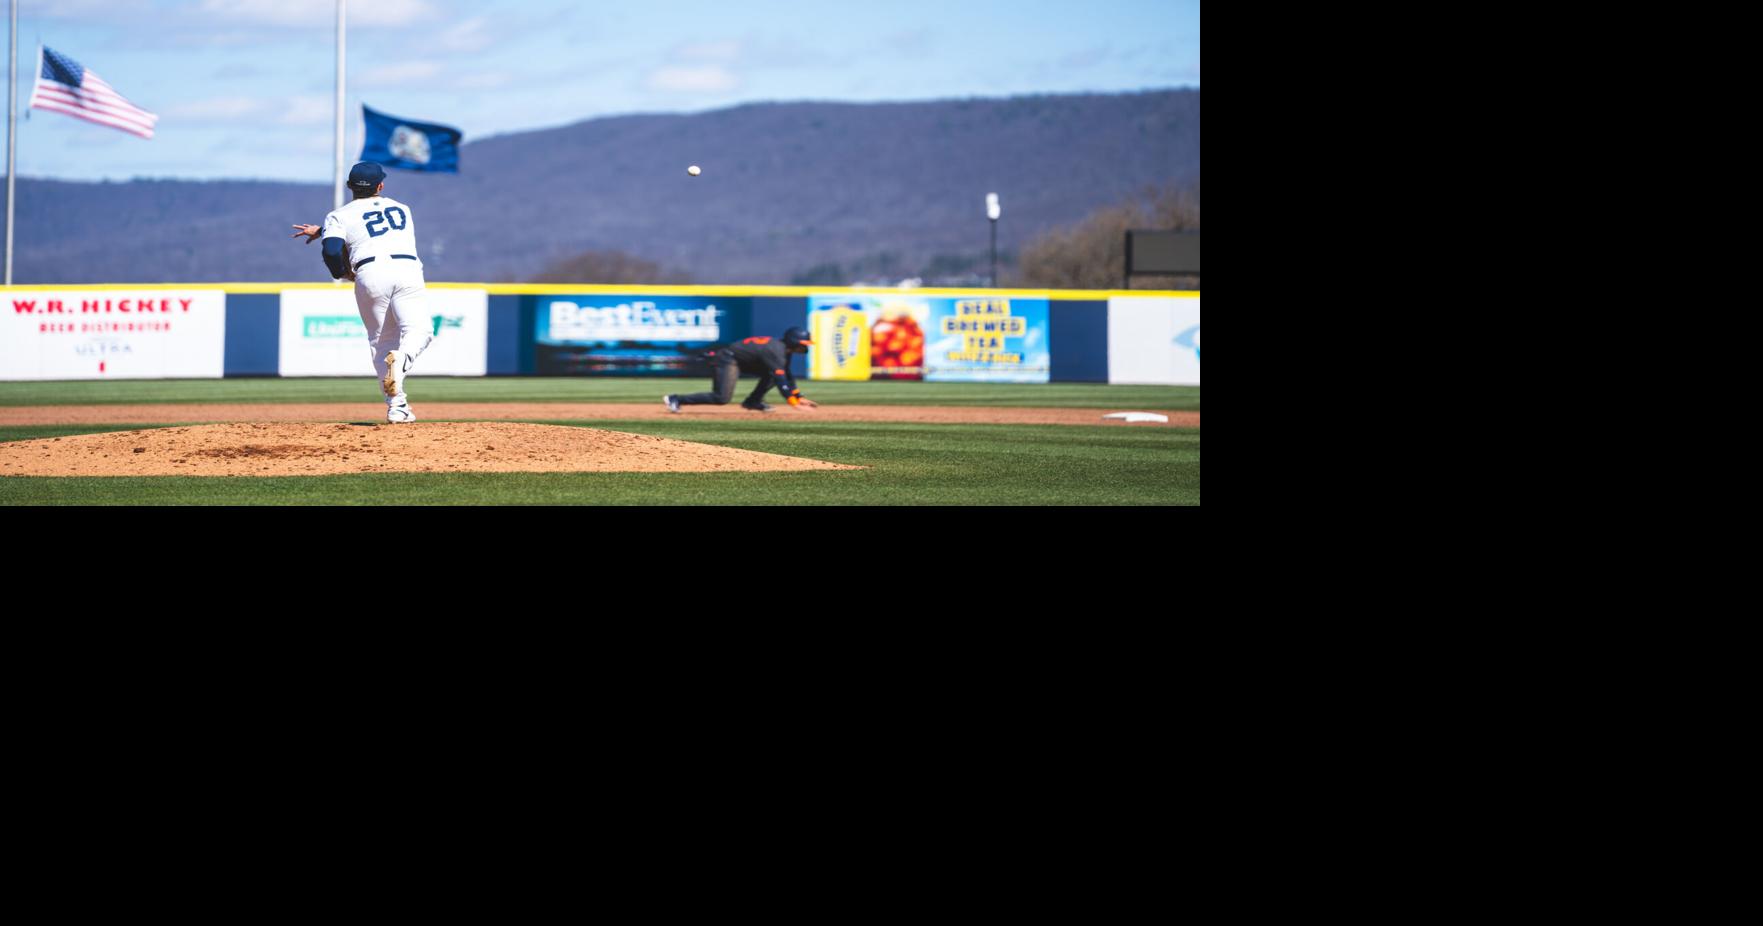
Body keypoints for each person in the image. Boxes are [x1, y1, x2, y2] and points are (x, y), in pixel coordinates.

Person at [291, 161, 434, 424]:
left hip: (370, 273)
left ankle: (397, 407)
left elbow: (333, 249)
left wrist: (341, 272)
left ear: (349, 187)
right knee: (420, 331)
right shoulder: (403, 209)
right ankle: (403, 360)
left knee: (382, 342)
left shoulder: (338, 216)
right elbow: (375, 227)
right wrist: (323, 232)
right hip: (407, 269)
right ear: (381, 185)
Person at [665, 327, 821, 413]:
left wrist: (798, 396)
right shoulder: (776, 351)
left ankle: (753, 402)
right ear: (794, 342)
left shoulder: (783, 350)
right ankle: (676, 399)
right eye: (804, 343)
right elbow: (782, 380)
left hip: (742, 361)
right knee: (721, 398)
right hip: (728, 359)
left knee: (773, 374)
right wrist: (793, 402)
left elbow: (786, 375)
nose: (806, 346)